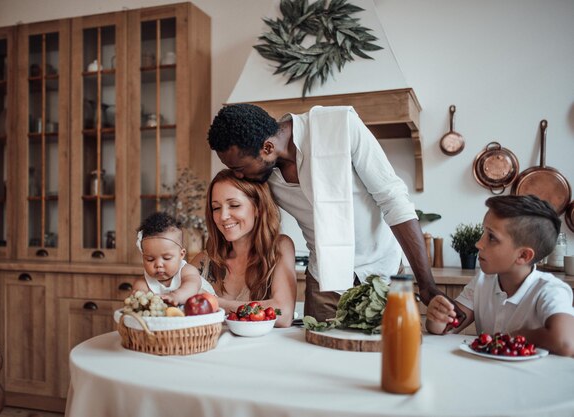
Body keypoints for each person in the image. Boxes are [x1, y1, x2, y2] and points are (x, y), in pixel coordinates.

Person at [207, 103, 449, 321]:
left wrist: (426, 285)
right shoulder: (261, 173)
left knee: (387, 356)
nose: (238, 175)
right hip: (323, 282)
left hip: (381, 272)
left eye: (238, 168)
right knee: (317, 356)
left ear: (267, 147)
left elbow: (393, 199)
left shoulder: (340, 125)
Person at [426, 195, 574, 357]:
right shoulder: (482, 281)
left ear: (524, 255)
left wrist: (515, 336)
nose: (479, 244)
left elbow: (566, 343)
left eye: (491, 237)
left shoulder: (550, 290)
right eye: (484, 232)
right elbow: (447, 327)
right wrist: (437, 319)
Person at [190, 169, 297, 327]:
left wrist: (218, 304)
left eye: (234, 205)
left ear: (257, 208)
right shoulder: (204, 261)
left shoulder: (280, 247)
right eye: (216, 208)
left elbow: (283, 314)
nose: (223, 216)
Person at [133, 211, 215, 306]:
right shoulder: (143, 283)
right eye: (150, 259)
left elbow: (191, 287)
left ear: (181, 254)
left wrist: (175, 296)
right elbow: (138, 300)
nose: (158, 264)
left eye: (167, 258)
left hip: (206, 308)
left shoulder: (187, 271)